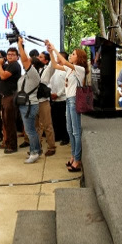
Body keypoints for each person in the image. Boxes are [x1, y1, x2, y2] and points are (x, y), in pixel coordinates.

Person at [46, 41, 87, 172]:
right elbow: (54, 65)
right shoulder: (70, 69)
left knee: (76, 131)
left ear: (79, 57)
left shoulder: (80, 69)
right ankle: (73, 156)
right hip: (69, 100)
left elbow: (62, 61)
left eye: (73, 54)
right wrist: (51, 53)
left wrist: (54, 48)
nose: (71, 55)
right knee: (70, 130)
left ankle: (77, 160)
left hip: (74, 100)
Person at [0, 48, 21, 153]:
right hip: (4, 96)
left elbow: (3, 76)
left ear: (17, 56)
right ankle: (8, 142)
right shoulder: (7, 66)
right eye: (8, 54)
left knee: (10, 122)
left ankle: (12, 146)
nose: (10, 56)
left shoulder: (15, 65)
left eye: (12, 54)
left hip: (10, 96)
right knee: (5, 122)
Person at [49, 51, 69, 146]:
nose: (56, 58)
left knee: (63, 119)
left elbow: (67, 85)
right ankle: (57, 136)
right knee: (55, 119)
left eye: (58, 57)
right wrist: (51, 93)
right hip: (54, 98)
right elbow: (50, 82)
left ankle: (65, 137)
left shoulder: (67, 70)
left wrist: (58, 94)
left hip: (63, 98)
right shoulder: (55, 69)